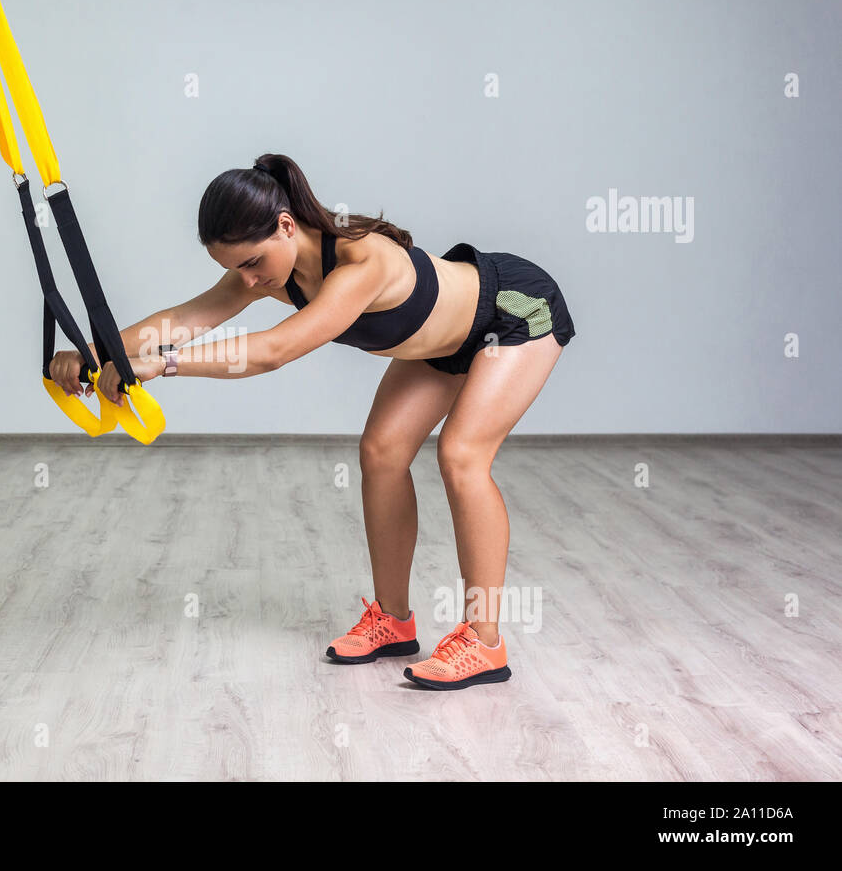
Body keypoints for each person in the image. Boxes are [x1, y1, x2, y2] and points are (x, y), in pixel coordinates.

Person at [49, 153, 575, 690]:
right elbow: (184, 320)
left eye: (252, 264)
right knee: (382, 454)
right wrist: (92, 352)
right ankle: (394, 621)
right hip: (442, 344)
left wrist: (164, 364)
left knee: (462, 456)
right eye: (235, 270)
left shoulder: (362, 262)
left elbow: (274, 350)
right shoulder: (266, 271)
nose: (248, 281)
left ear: (284, 225)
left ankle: (484, 643)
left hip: (512, 312)